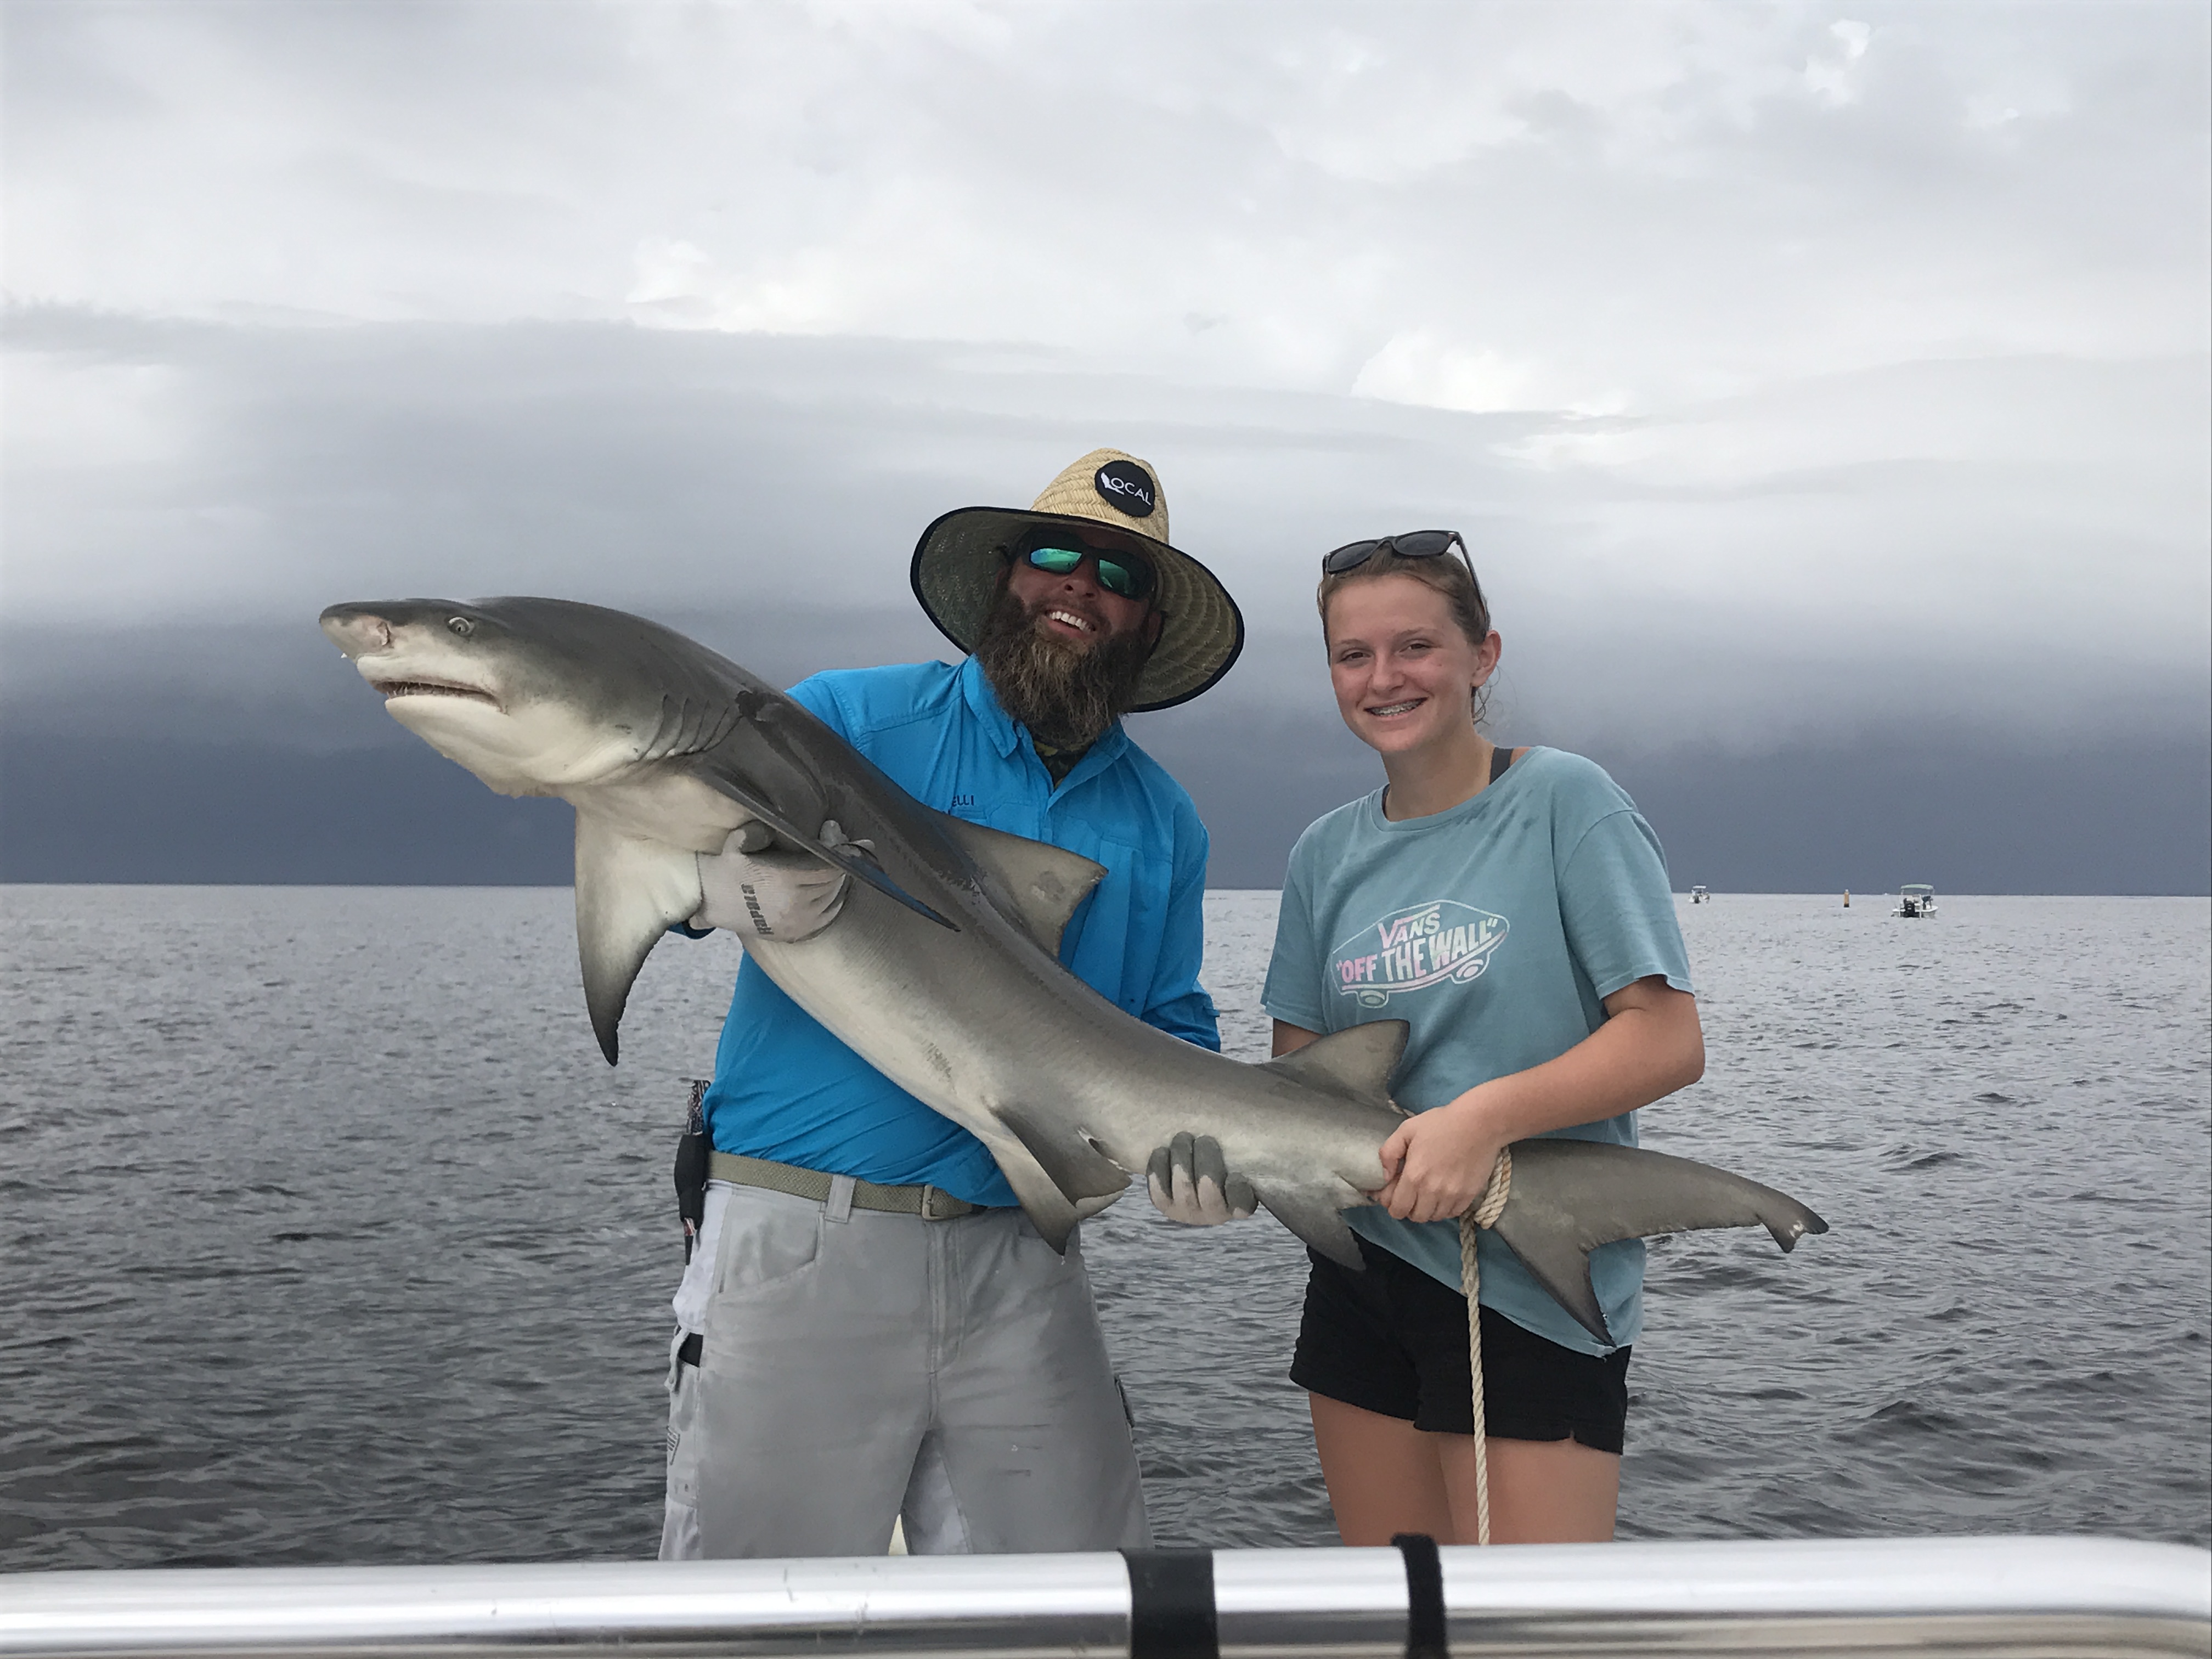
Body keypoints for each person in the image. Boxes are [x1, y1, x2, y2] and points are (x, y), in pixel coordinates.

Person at [659, 448, 1244, 1560]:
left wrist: (1197, 1162)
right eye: (1056, 556)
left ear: (1149, 625)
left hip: (1025, 1262)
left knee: (1081, 1614)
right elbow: (666, 844)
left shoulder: (1164, 821)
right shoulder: (843, 722)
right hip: (805, 1239)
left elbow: (1173, 1029)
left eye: (1118, 577)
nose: (1080, 587)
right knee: (748, 1630)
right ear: (1005, 581)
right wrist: (714, 882)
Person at [1149, 532, 1701, 1545]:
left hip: (1527, 1280)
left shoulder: (1563, 802)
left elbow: (1666, 1041)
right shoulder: (1325, 852)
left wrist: (1480, 1123)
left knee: (1529, 1634)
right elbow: (1298, 1086)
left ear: (1482, 654)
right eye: (1353, 655)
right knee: (1398, 1617)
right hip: (1365, 1276)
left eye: (1415, 647)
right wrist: (1229, 1177)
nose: (1384, 678)